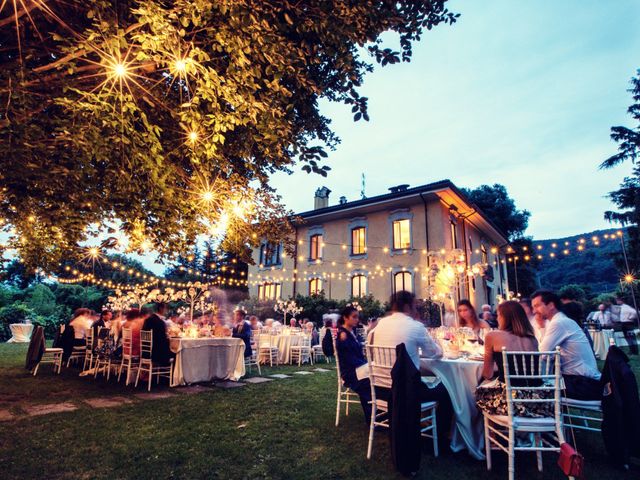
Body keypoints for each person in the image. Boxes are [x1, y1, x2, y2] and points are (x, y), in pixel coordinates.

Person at [368, 291, 453, 449]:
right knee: (448, 389)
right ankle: (442, 436)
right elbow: (436, 353)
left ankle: (425, 423)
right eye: (415, 305)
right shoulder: (415, 326)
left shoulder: (380, 324)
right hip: (406, 392)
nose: (416, 308)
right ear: (408, 306)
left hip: (381, 388)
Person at [476, 301, 549, 417]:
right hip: (538, 401)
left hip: (510, 402)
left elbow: (487, 374)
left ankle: (494, 433)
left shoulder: (492, 336)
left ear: (505, 317)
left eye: (499, 315)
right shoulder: (533, 339)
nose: (497, 318)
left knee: (479, 392)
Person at [532, 290, 602, 400]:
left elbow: (541, 353)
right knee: (544, 385)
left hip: (585, 384)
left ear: (551, 305)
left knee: (537, 389)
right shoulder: (561, 320)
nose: (534, 311)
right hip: (584, 380)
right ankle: (557, 416)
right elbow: (546, 355)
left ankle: (552, 416)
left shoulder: (559, 323)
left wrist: (540, 327)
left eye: (537, 306)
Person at [335, 305, 371, 425]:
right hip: (350, 373)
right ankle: (371, 417)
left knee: (376, 377)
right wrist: (366, 366)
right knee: (368, 381)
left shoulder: (352, 332)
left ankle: (378, 412)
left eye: (357, 317)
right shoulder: (343, 335)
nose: (357, 320)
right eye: (354, 317)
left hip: (358, 368)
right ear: (346, 318)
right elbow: (349, 359)